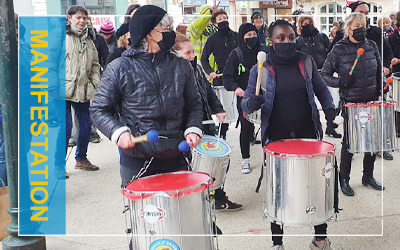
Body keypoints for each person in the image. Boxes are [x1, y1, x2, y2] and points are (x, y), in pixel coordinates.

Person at [241, 19, 336, 250]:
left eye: (291, 37)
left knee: (315, 185)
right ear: (271, 41)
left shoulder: (306, 61)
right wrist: (250, 103)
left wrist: (330, 110)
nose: (287, 41)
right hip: (276, 136)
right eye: (281, 38)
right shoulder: (260, 68)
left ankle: (320, 239)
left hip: (306, 131)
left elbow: (321, 88)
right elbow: (245, 105)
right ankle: (277, 243)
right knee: (278, 191)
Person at [90, 5, 203, 187]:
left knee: (181, 214)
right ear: (149, 34)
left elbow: (194, 103)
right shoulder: (119, 68)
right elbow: (99, 109)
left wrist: (192, 128)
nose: (171, 34)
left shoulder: (181, 66)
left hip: (176, 154)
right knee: (146, 215)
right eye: (166, 29)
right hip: (138, 158)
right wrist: (118, 132)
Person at [173, 34, 242, 211]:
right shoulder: (173, 73)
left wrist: (218, 108)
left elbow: (209, 92)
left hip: (206, 123)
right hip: (188, 128)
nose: (192, 55)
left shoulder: (195, 68)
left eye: (192, 51)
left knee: (218, 161)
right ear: (175, 54)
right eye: (187, 53)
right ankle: (196, 204)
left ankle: (218, 196)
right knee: (194, 167)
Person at [321, 12, 386, 197]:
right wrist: (341, 82)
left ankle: (368, 176)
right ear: (348, 28)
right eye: (357, 26)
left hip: (371, 100)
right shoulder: (339, 49)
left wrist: (383, 86)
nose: (361, 29)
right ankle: (344, 179)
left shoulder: (371, 45)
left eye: (363, 26)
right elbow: (324, 74)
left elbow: (379, 71)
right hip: (351, 102)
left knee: (372, 142)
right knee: (349, 144)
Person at [223, 23, 268, 174]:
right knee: (246, 127)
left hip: (265, 96)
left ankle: (269, 156)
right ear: (242, 38)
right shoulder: (236, 54)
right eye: (248, 36)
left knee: (270, 126)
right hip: (245, 97)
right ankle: (245, 159)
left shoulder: (265, 51)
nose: (252, 38)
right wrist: (236, 88)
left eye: (254, 35)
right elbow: (228, 77)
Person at [63, 5, 101, 177]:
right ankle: (57, 165)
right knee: (65, 128)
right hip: (62, 91)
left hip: (83, 91)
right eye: (78, 17)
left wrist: (93, 83)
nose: (82, 21)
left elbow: (95, 64)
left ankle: (81, 158)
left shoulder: (90, 40)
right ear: (69, 18)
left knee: (86, 125)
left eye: (84, 18)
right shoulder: (60, 38)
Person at [201, 9, 239, 139]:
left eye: (225, 17)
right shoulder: (212, 39)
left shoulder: (236, 36)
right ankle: (222, 135)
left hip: (239, 77)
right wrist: (210, 71)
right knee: (225, 110)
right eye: (220, 19)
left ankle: (249, 134)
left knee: (244, 110)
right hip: (222, 79)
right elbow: (203, 58)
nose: (223, 20)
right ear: (215, 24)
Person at [388, 11, 400, 138]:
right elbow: (389, 54)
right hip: (397, 72)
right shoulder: (392, 37)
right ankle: (398, 128)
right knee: (398, 100)